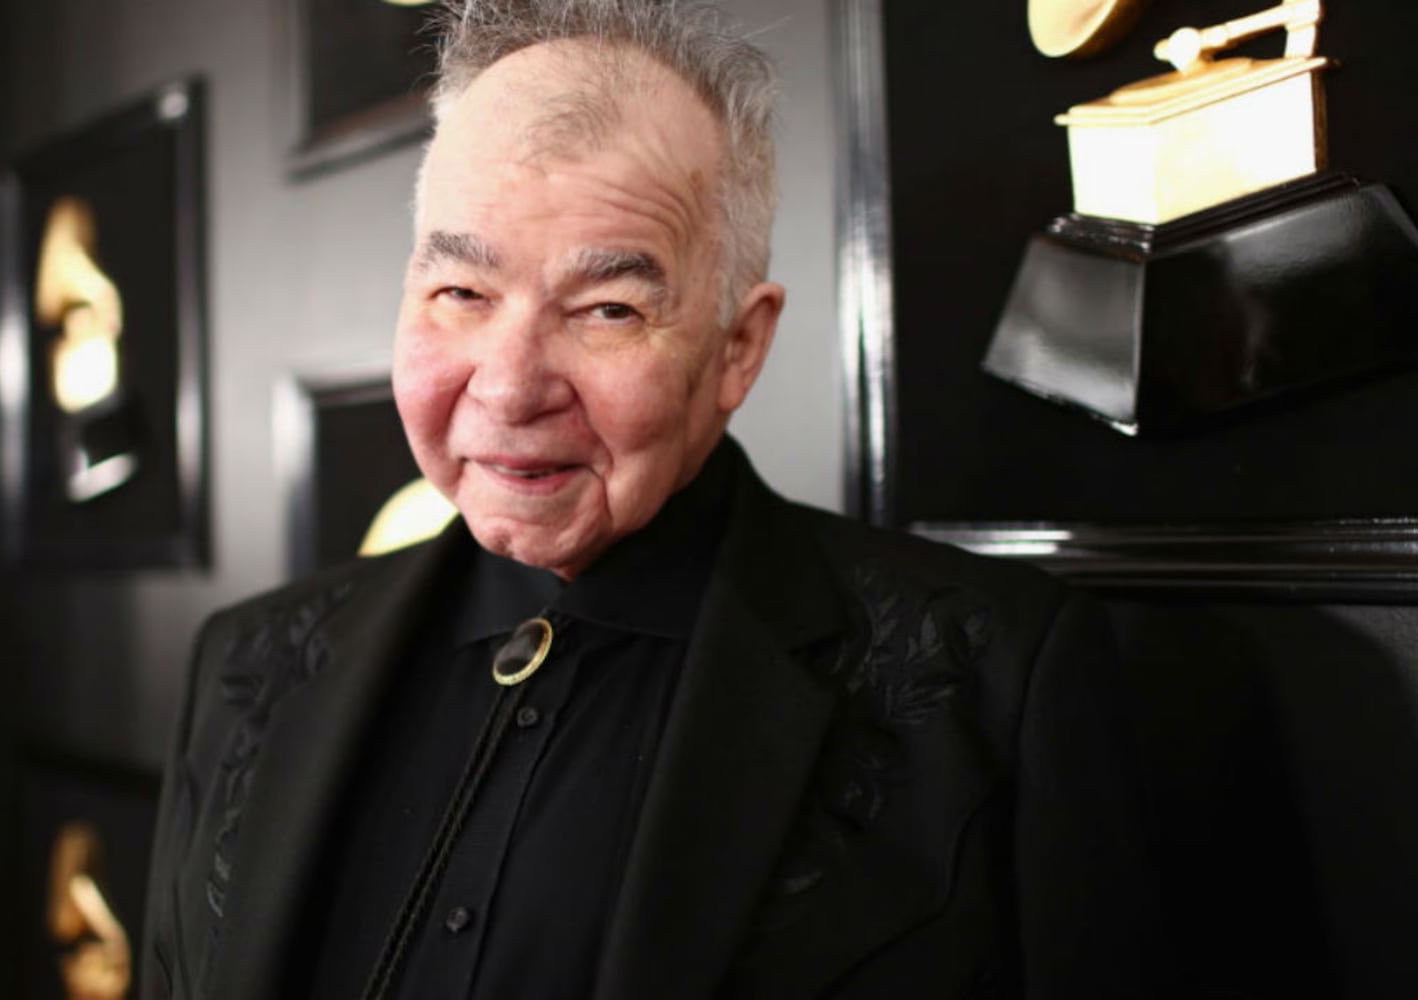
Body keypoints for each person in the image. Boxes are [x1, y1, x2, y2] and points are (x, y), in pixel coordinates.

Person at [140, 1, 1165, 997]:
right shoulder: (247, 662)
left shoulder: (993, 685)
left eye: (606, 309)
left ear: (738, 347)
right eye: (461, 293)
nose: (509, 386)